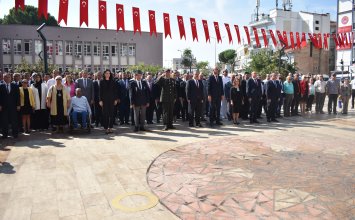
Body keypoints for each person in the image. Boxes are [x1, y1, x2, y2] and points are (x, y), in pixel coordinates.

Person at [0, 73, 20, 138]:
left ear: (11, 78)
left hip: (13, 107)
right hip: (4, 107)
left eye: (9, 77)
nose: (7, 78)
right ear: (3, 78)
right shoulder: (1, 86)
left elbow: (18, 96)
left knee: (14, 120)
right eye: (6, 77)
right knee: (4, 121)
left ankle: (15, 134)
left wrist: (18, 105)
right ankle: (5, 134)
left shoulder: (15, 86)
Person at [100, 70, 119, 134]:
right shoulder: (102, 81)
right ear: (104, 74)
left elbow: (116, 91)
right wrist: (100, 100)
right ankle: (106, 128)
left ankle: (110, 128)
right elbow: (100, 92)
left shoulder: (113, 81)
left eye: (109, 73)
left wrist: (116, 99)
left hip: (112, 100)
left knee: (111, 114)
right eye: (106, 73)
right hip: (104, 101)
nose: (108, 74)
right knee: (105, 115)